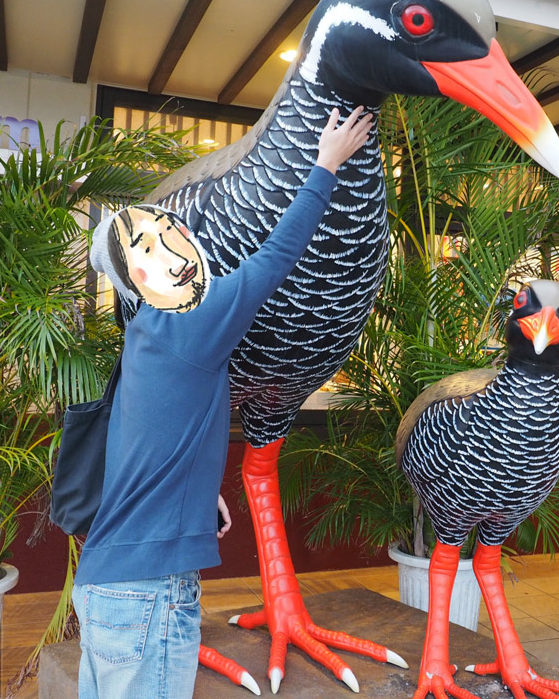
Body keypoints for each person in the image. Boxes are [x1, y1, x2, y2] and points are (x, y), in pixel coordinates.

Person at [74, 106, 374, 699]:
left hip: (110, 582)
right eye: (147, 248)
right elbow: (273, 261)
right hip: (147, 594)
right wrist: (325, 166)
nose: (171, 240)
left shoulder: (148, 339)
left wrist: (197, 484)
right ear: (138, 279)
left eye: (167, 229)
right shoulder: (193, 323)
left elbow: (149, 439)